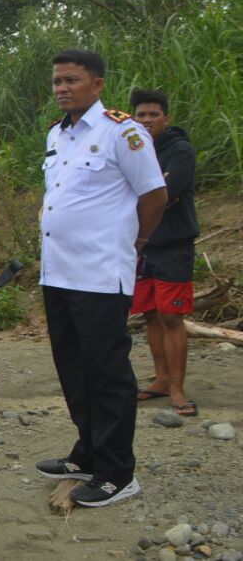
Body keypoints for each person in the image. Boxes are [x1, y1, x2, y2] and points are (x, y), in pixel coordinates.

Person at [35, 51, 166, 507]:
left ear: (97, 84)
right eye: (56, 81)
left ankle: (117, 472)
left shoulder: (122, 131)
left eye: (71, 80)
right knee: (74, 369)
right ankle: (88, 451)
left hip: (100, 272)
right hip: (59, 272)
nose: (62, 88)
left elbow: (154, 194)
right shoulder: (58, 134)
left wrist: (136, 240)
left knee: (107, 373)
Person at [130, 88, 199, 416]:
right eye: (141, 115)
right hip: (142, 247)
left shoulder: (180, 150)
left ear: (166, 118)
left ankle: (177, 388)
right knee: (150, 315)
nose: (146, 120)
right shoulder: (133, 149)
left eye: (153, 115)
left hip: (173, 245)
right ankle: (159, 379)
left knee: (172, 316)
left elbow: (165, 194)